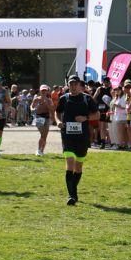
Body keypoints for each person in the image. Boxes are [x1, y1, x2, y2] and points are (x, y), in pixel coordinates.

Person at [55, 75, 100, 205]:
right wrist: (58, 122)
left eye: (75, 84)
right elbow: (57, 112)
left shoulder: (87, 98)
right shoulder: (64, 98)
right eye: (71, 84)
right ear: (68, 85)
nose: (73, 86)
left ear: (80, 85)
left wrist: (85, 118)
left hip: (82, 136)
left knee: (78, 167)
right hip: (67, 135)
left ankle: (73, 192)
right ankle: (72, 196)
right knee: (69, 163)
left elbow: (97, 114)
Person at [30, 84, 55, 156]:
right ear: (40, 91)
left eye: (45, 90)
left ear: (47, 91)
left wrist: (47, 104)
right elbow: (31, 106)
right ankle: (38, 150)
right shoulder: (36, 99)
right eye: (42, 90)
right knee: (43, 134)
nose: (44, 92)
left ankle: (41, 150)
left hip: (46, 118)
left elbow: (52, 109)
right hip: (39, 117)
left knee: (45, 136)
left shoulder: (49, 100)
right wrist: (32, 109)